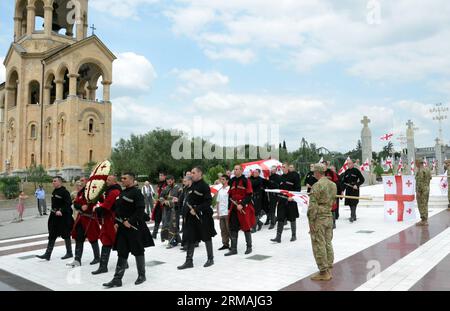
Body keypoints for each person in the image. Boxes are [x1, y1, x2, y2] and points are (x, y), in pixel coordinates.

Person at [103, 172, 154, 288]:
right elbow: (118, 209)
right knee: (122, 252)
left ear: (131, 180)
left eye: (124, 178)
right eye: (121, 178)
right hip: (122, 228)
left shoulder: (137, 193)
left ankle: (142, 275)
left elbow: (140, 210)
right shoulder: (122, 193)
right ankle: (117, 279)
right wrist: (116, 222)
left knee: (138, 251)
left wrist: (130, 221)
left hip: (133, 227)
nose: (122, 180)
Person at [177, 167, 216, 269]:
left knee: (206, 237)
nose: (191, 174)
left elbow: (208, 202)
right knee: (191, 237)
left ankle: (210, 259)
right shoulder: (191, 185)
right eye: (191, 173)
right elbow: (188, 199)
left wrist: (197, 209)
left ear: (200, 173)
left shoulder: (204, 186)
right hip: (191, 216)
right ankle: (189, 261)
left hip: (203, 216)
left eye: (193, 173)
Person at [308, 164, 336, 281]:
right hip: (329, 216)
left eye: (314, 172)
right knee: (328, 242)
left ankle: (323, 271)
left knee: (319, 243)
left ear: (318, 172)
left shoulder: (317, 185)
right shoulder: (333, 185)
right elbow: (333, 201)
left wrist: (311, 222)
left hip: (318, 218)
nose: (313, 173)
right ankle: (329, 265)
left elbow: (312, 206)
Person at [36, 176, 73, 261]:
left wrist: (61, 211)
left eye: (55, 181)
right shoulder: (54, 191)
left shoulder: (65, 192)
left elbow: (68, 203)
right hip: (54, 216)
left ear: (60, 182)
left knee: (66, 234)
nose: (53, 182)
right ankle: (47, 254)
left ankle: (69, 252)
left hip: (63, 217)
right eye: (52, 181)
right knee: (52, 233)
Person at [92, 175, 122, 275]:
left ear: (114, 181)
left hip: (112, 220)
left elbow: (106, 206)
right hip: (108, 220)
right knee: (106, 241)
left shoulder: (114, 192)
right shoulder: (110, 190)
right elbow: (105, 202)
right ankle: (103, 266)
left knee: (116, 241)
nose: (107, 181)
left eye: (109, 180)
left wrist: (96, 208)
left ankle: (123, 263)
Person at [68, 177, 101, 267]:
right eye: (80, 181)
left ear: (87, 182)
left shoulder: (93, 192)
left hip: (90, 219)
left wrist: (93, 205)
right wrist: (81, 207)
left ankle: (97, 257)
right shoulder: (80, 192)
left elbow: (100, 201)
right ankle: (77, 259)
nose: (81, 182)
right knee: (78, 238)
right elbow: (75, 203)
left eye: (82, 180)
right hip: (81, 218)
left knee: (93, 239)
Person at [225, 165, 255, 256]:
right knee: (233, 228)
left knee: (246, 227)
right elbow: (230, 195)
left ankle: (249, 247)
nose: (235, 170)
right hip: (234, 207)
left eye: (237, 169)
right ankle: (234, 249)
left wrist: (242, 204)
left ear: (241, 171)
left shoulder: (246, 181)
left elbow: (249, 195)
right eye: (234, 169)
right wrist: (229, 207)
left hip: (243, 207)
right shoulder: (232, 181)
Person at [271, 162, 300, 243]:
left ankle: (293, 235)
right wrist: (278, 200)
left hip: (291, 200)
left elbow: (298, 188)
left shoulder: (294, 176)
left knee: (292, 218)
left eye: (284, 167)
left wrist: (293, 197)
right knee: (280, 218)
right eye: (281, 167)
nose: (282, 168)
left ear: (287, 168)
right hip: (282, 201)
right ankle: (278, 237)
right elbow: (279, 190)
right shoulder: (281, 177)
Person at [160, 175, 182, 248]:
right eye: (167, 181)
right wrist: (164, 201)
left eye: (170, 181)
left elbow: (180, 200)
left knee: (173, 225)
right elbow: (161, 197)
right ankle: (177, 239)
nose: (169, 182)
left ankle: (171, 241)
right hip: (166, 210)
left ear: (173, 180)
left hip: (175, 210)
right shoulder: (165, 188)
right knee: (166, 224)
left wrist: (170, 202)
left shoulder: (178, 189)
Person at [415, 159, 432, 226]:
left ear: (418, 163)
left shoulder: (420, 171)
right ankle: (425, 219)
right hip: (427, 188)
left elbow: (419, 182)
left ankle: (423, 220)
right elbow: (430, 177)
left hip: (421, 190)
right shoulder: (427, 169)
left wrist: (418, 191)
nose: (415, 165)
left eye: (416, 163)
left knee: (421, 204)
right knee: (425, 204)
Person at [151, 172, 167, 239]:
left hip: (164, 205)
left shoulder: (166, 184)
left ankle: (164, 235)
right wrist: (155, 199)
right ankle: (154, 234)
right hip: (158, 204)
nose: (160, 177)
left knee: (164, 220)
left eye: (161, 175)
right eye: (159, 175)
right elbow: (158, 194)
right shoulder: (159, 184)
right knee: (157, 219)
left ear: (165, 176)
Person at [216, 175, 230, 250]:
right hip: (221, 213)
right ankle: (225, 244)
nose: (222, 181)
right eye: (221, 180)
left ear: (227, 180)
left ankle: (233, 244)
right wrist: (218, 213)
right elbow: (218, 202)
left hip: (227, 212)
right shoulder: (220, 190)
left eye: (223, 179)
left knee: (229, 229)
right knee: (223, 230)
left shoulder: (229, 189)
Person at [179, 175, 193, 251]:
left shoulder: (192, 189)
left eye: (185, 181)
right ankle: (185, 243)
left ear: (189, 181)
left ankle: (189, 244)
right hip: (185, 210)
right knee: (185, 228)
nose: (183, 183)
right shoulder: (185, 189)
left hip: (190, 211)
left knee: (189, 229)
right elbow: (182, 199)